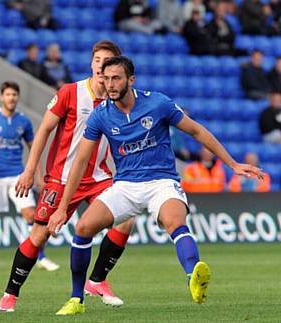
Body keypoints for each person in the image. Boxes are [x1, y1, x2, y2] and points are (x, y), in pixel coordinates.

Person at [48, 55, 262, 315]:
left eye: (116, 78)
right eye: (106, 79)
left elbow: (196, 131)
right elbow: (80, 162)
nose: (110, 84)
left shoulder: (157, 103)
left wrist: (233, 164)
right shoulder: (100, 115)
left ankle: (193, 277)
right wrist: (61, 208)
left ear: (131, 80)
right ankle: (76, 299)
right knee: (82, 228)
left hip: (161, 181)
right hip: (125, 185)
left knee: (175, 222)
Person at [0, 41, 132, 313]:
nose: (101, 66)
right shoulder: (71, 92)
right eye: (97, 60)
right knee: (39, 235)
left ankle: (97, 281)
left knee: (125, 222)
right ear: (92, 63)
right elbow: (44, 130)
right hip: (61, 179)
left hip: (99, 178)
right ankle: (10, 293)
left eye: (107, 61)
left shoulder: (119, 99)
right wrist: (29, 169)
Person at [0, 81, 59, 272]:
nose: (11, 98)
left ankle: (41, 257)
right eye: (8, 95)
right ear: (1, 97)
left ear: (17, 98)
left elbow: (33, 148)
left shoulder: (24, 121)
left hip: (17, 175)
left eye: (14, 95)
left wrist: (39, 175)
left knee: (31, 215)